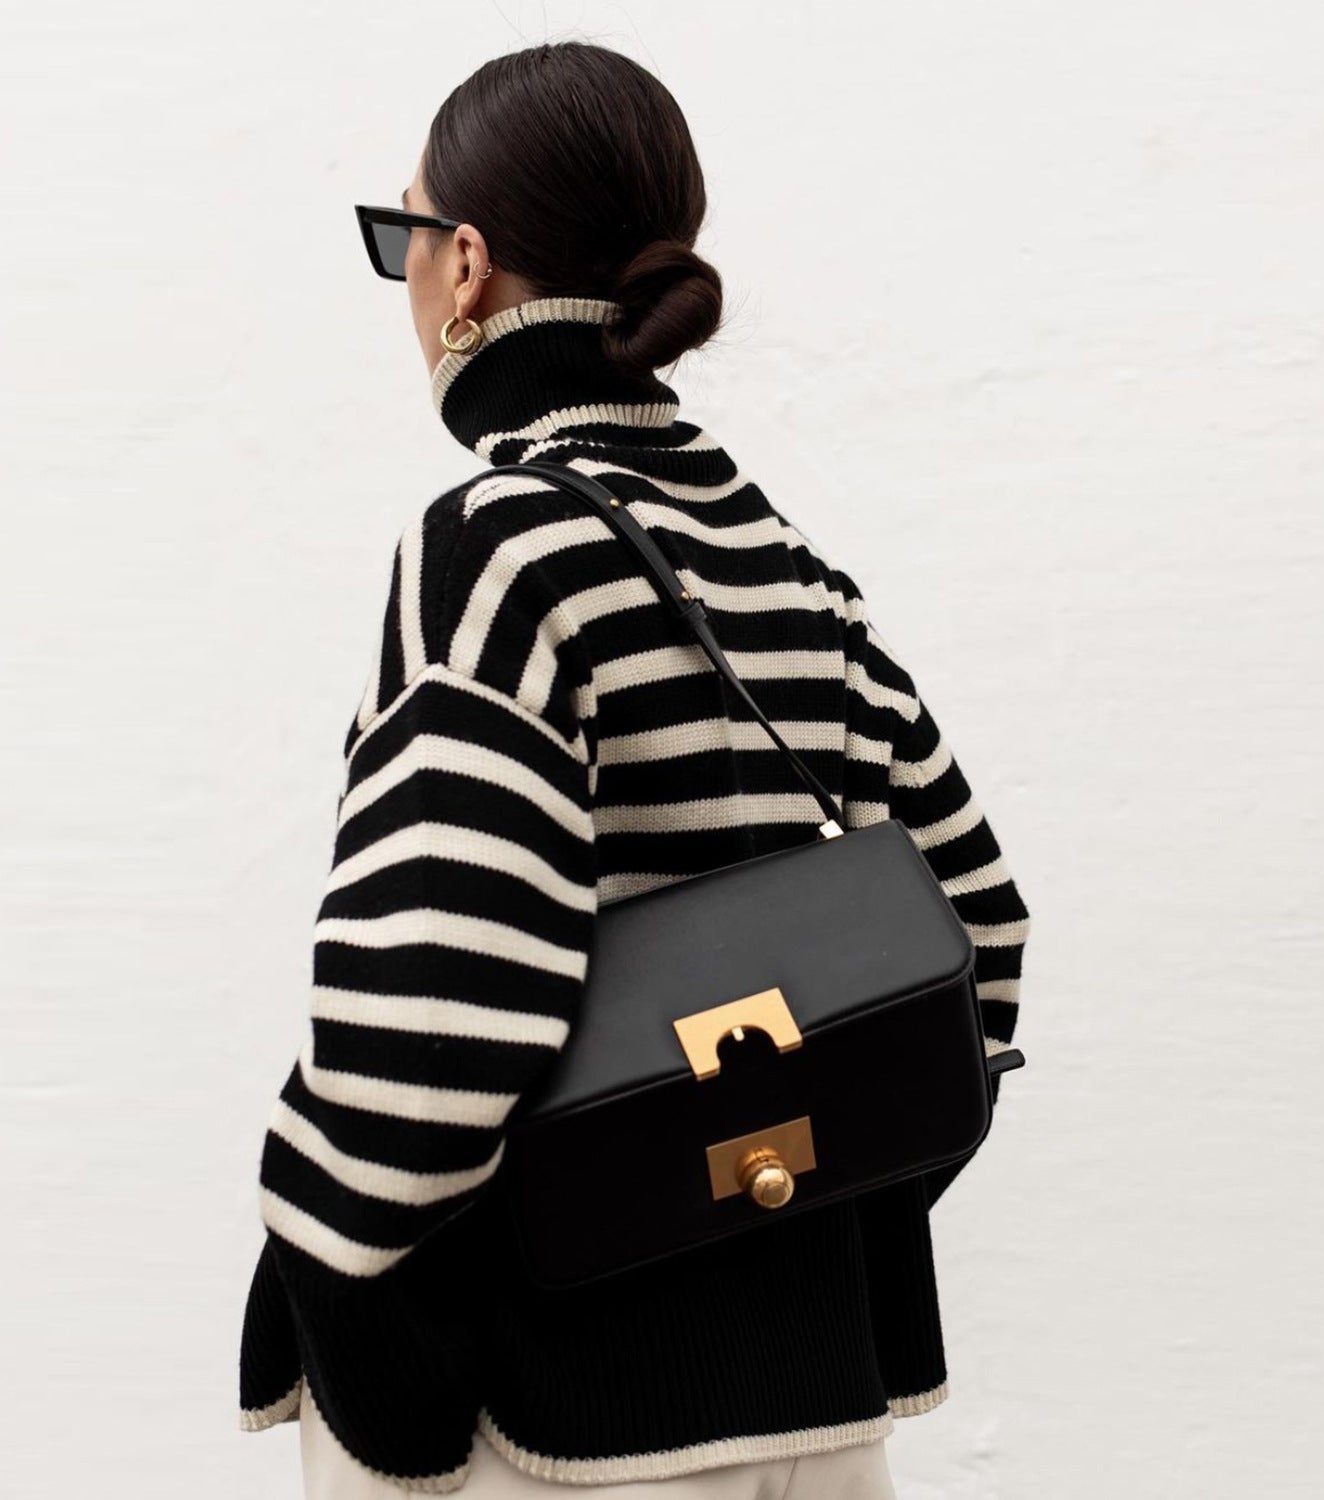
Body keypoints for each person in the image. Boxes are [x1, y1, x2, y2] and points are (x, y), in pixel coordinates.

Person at [237, 39, 1030, 1498]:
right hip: (821, 1414)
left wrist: (355, 1340)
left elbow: (433, 1022)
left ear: (467, 265)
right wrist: (782, 1196)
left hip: (555, 1426)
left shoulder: (496, 550)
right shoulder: (787, 564)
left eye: (405, 238)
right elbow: (977, 930)